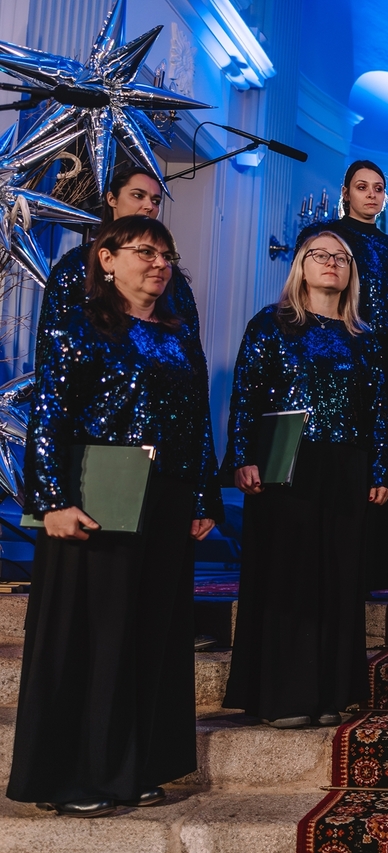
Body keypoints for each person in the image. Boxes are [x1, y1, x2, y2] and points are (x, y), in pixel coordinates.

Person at [8, 215, 221, 817]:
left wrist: (202, 499)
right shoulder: (79, 325)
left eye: (166, 255)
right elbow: (49, 415)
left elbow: (198, 422)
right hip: (98, 495)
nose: (159, 264)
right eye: (145, 252)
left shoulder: (179, 335)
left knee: (150, 632)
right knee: (95, 636)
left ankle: (132, 768)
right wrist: (50, 500)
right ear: (106, 259)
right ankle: (76, 777)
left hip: (167, 498)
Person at [222, 231, 388, 728]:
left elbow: (379, 411)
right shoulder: (270, 324)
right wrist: (242, 457)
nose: (331, 263)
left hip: (346, 463)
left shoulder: (367, 337)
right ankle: (285, 695)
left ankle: (331, 693)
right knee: (287, 574)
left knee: (339, 578)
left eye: (341, 257)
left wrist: (382, 468)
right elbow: (245, 396)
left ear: (351, 272)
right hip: (284, 461)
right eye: (320, 255)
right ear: (301, 264)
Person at [298, 160, 388, 594]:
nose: (371, 194)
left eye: (378, 188)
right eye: (362, 187)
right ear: (345, 192)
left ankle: (367, 570)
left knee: (373, 455)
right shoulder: (322, 237)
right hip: (322, 355)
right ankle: (311, 561)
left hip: (377, 362)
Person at [39, 165, 201, 353]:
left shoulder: (168, 273)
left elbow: (192, 346)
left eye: (156, 201)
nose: (149, 206)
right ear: (112, 199)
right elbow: (49, 343)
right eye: (138, 195)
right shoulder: (76, 263)